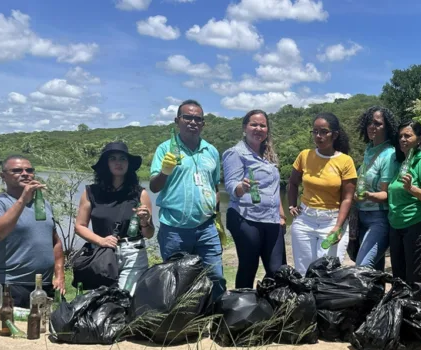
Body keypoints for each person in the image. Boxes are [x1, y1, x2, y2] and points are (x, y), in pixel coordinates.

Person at [150, 99, 226, 299]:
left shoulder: (211, 151)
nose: (193, 122)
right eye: (187, 117)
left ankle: (218, 324)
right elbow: (154, 187)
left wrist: (217, 219)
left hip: (206, 228)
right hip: (174, 229)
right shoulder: (165, 149)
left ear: (203, 123)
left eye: (197, 119)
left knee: (216, 277)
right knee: (177, 282)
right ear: (177, 120)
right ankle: (183, 327)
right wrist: (165, 170)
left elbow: (215, 186)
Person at [0, 155, 65, 307]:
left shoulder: (43, 205)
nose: (25, 173)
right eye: (17, 170)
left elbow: (56, 242)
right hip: (12, 285)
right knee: (12, 330)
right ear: (3, 176)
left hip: (45, 286)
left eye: (29, 170)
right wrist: (23, 199)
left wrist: (59, 275)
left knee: (53, 329)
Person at [75, 142, 154, 293]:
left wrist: (145, 222)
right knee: (101, 300)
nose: (118, 162)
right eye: (113, 158)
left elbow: (149, 234)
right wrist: (101, 240)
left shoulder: (140, 194)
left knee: (126, 299)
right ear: (106, 164)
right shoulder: (91, 192)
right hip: (102, 253)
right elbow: (79, 226)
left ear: (129, 164)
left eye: (123, 159)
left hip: (133, 252)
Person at [223, 110, 287, 288]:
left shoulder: (268, 155)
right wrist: (241, 187)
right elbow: (230, 186)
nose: (258, 128)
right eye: (254, 124)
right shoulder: (235, 153)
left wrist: (281, 215)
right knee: (248, 266)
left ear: (267, 129)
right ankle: (242, 310)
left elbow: (274, 189)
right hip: (245, 218)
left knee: (277, 269)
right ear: (245, 128)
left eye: (262, 125)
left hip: (272, 219)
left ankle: (273, 308)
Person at [287, 113, 357, 274]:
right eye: (315, 131)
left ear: (335, 134)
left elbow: (347, 198)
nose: (319, 136)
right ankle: (306, 299)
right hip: (305, 219)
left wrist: (338, 227)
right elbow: (292, 182)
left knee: (327, 272)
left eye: (324, 131)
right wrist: (291, 204)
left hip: (331, 221)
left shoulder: (345, 161)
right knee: (304, 272)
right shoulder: (305, 155)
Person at [388, 121, 421, 301]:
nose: (403, 139)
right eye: (400, 136)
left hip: (416, 224)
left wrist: (412, 189)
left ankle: (413, 319)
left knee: (413, 277)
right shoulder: (401, 161)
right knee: (398, 277)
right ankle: (398, 315)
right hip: (396, 225)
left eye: (408, 136)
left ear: (419, 139)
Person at [353, 106, 399, 270]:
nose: (372, 127)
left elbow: (386, 195)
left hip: (379, 218)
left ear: (387, 128)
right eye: (369, 123)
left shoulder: (389, 155)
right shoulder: (368, 150)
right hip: (362, 217)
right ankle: (376, 297)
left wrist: (366, 195)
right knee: (375, 270)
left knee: (363, 267)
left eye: (378, 124)